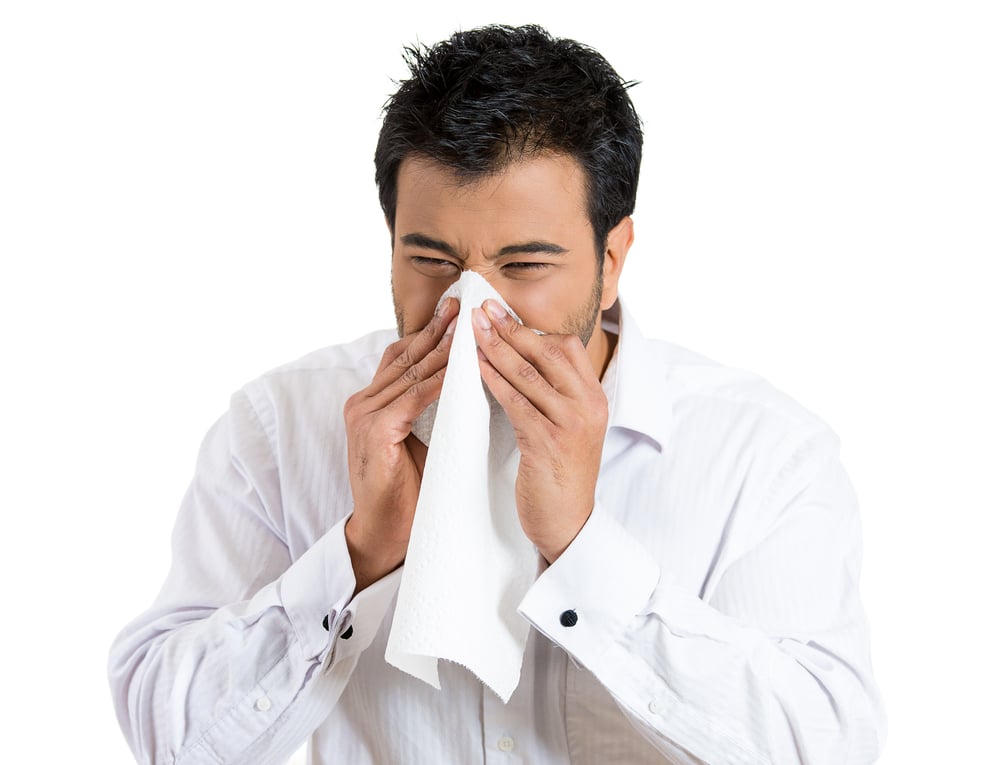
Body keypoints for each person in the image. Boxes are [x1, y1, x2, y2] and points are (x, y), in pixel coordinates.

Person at [108, 24, 886, 764]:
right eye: (432, 260)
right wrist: (359, 554)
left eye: (524, 266)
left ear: (612, 259)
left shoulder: (762, 452)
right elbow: (168, 739)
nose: (472, 306)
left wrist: (582, 547)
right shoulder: (278, 428)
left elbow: (824, 745)